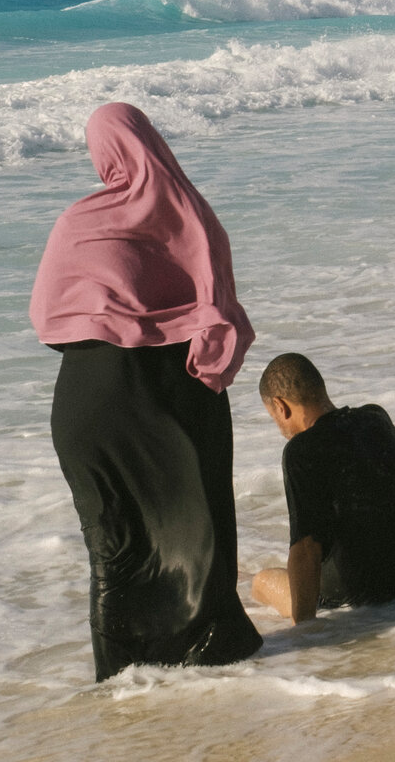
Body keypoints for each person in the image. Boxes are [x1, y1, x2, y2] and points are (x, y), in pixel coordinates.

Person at [29, 102, 262, 675]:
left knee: (115, 546)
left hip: (93, 398)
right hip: (178, 393)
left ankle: (123, 678)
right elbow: (221, 315)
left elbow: (48, 318)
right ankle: (209, 657)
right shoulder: (193, 215)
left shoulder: (79, 223)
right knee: (194, 525)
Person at [250, 352, 395, 622]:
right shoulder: (376, 418)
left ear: (281, 407)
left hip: (363, 597)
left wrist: (305, 632)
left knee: (261, 582)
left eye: (273, 416)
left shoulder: (301, 450)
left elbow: (306, 548)